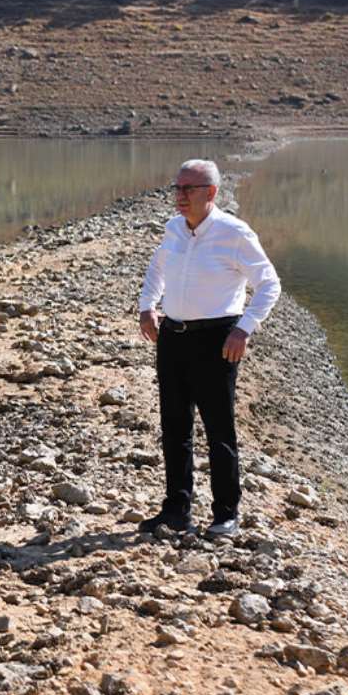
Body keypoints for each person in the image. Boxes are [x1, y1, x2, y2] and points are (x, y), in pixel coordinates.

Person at [137, 159, 280, 538]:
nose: (180, 196)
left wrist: (245, 328)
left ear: (211, 193)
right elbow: (158, 269)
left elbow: (269, 284)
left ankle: (225, 514)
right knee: (175, 426)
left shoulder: (234, 233)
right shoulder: (173, 229)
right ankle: (176, 509)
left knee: (219, 430)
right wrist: (146, 306)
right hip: (173, 336)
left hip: (216, 340)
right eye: (177, 188)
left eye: (189, 189)